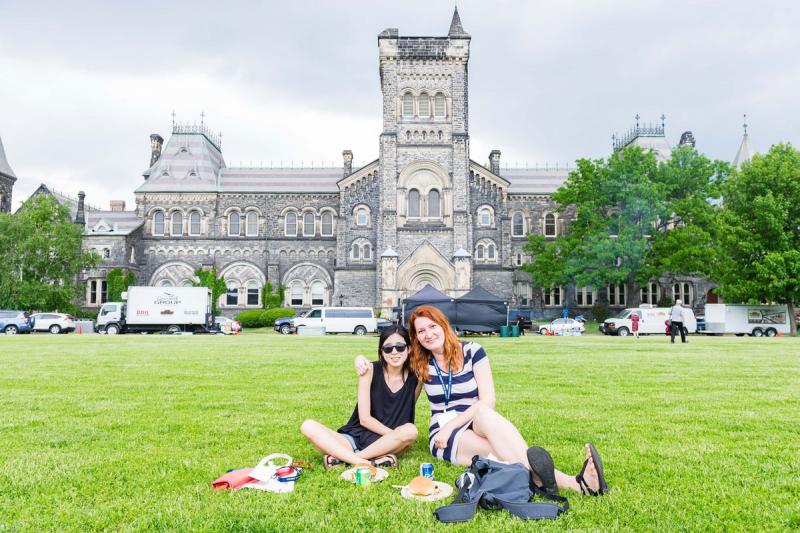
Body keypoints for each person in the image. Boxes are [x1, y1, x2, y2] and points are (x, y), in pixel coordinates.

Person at [358, 305, 608, 496]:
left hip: (471, 419)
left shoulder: (473, 351)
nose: (428, 334)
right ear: (417, 339)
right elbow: (390, 369)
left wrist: (453, 425)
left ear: (443, 325)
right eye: (421, 331)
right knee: (498, 451)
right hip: (443, 436)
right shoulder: (420, 364)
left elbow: (488, 400)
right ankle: (575, 484)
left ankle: (543, 480)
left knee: (485, 413)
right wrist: (362, 361)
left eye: (432, 326)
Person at [301, 325, 421, 469]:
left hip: (387, 442)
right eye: (388, 348)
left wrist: (397, 438)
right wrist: (395, 435)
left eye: (400, 347)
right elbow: (364, 419)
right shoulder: (369, 370)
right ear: (382, 352)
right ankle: (367, 462)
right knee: (308, 426)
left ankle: (343, 458)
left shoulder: (418, 376)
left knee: (410, 431)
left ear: (409, 348)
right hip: (354, 438)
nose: (394, 352)